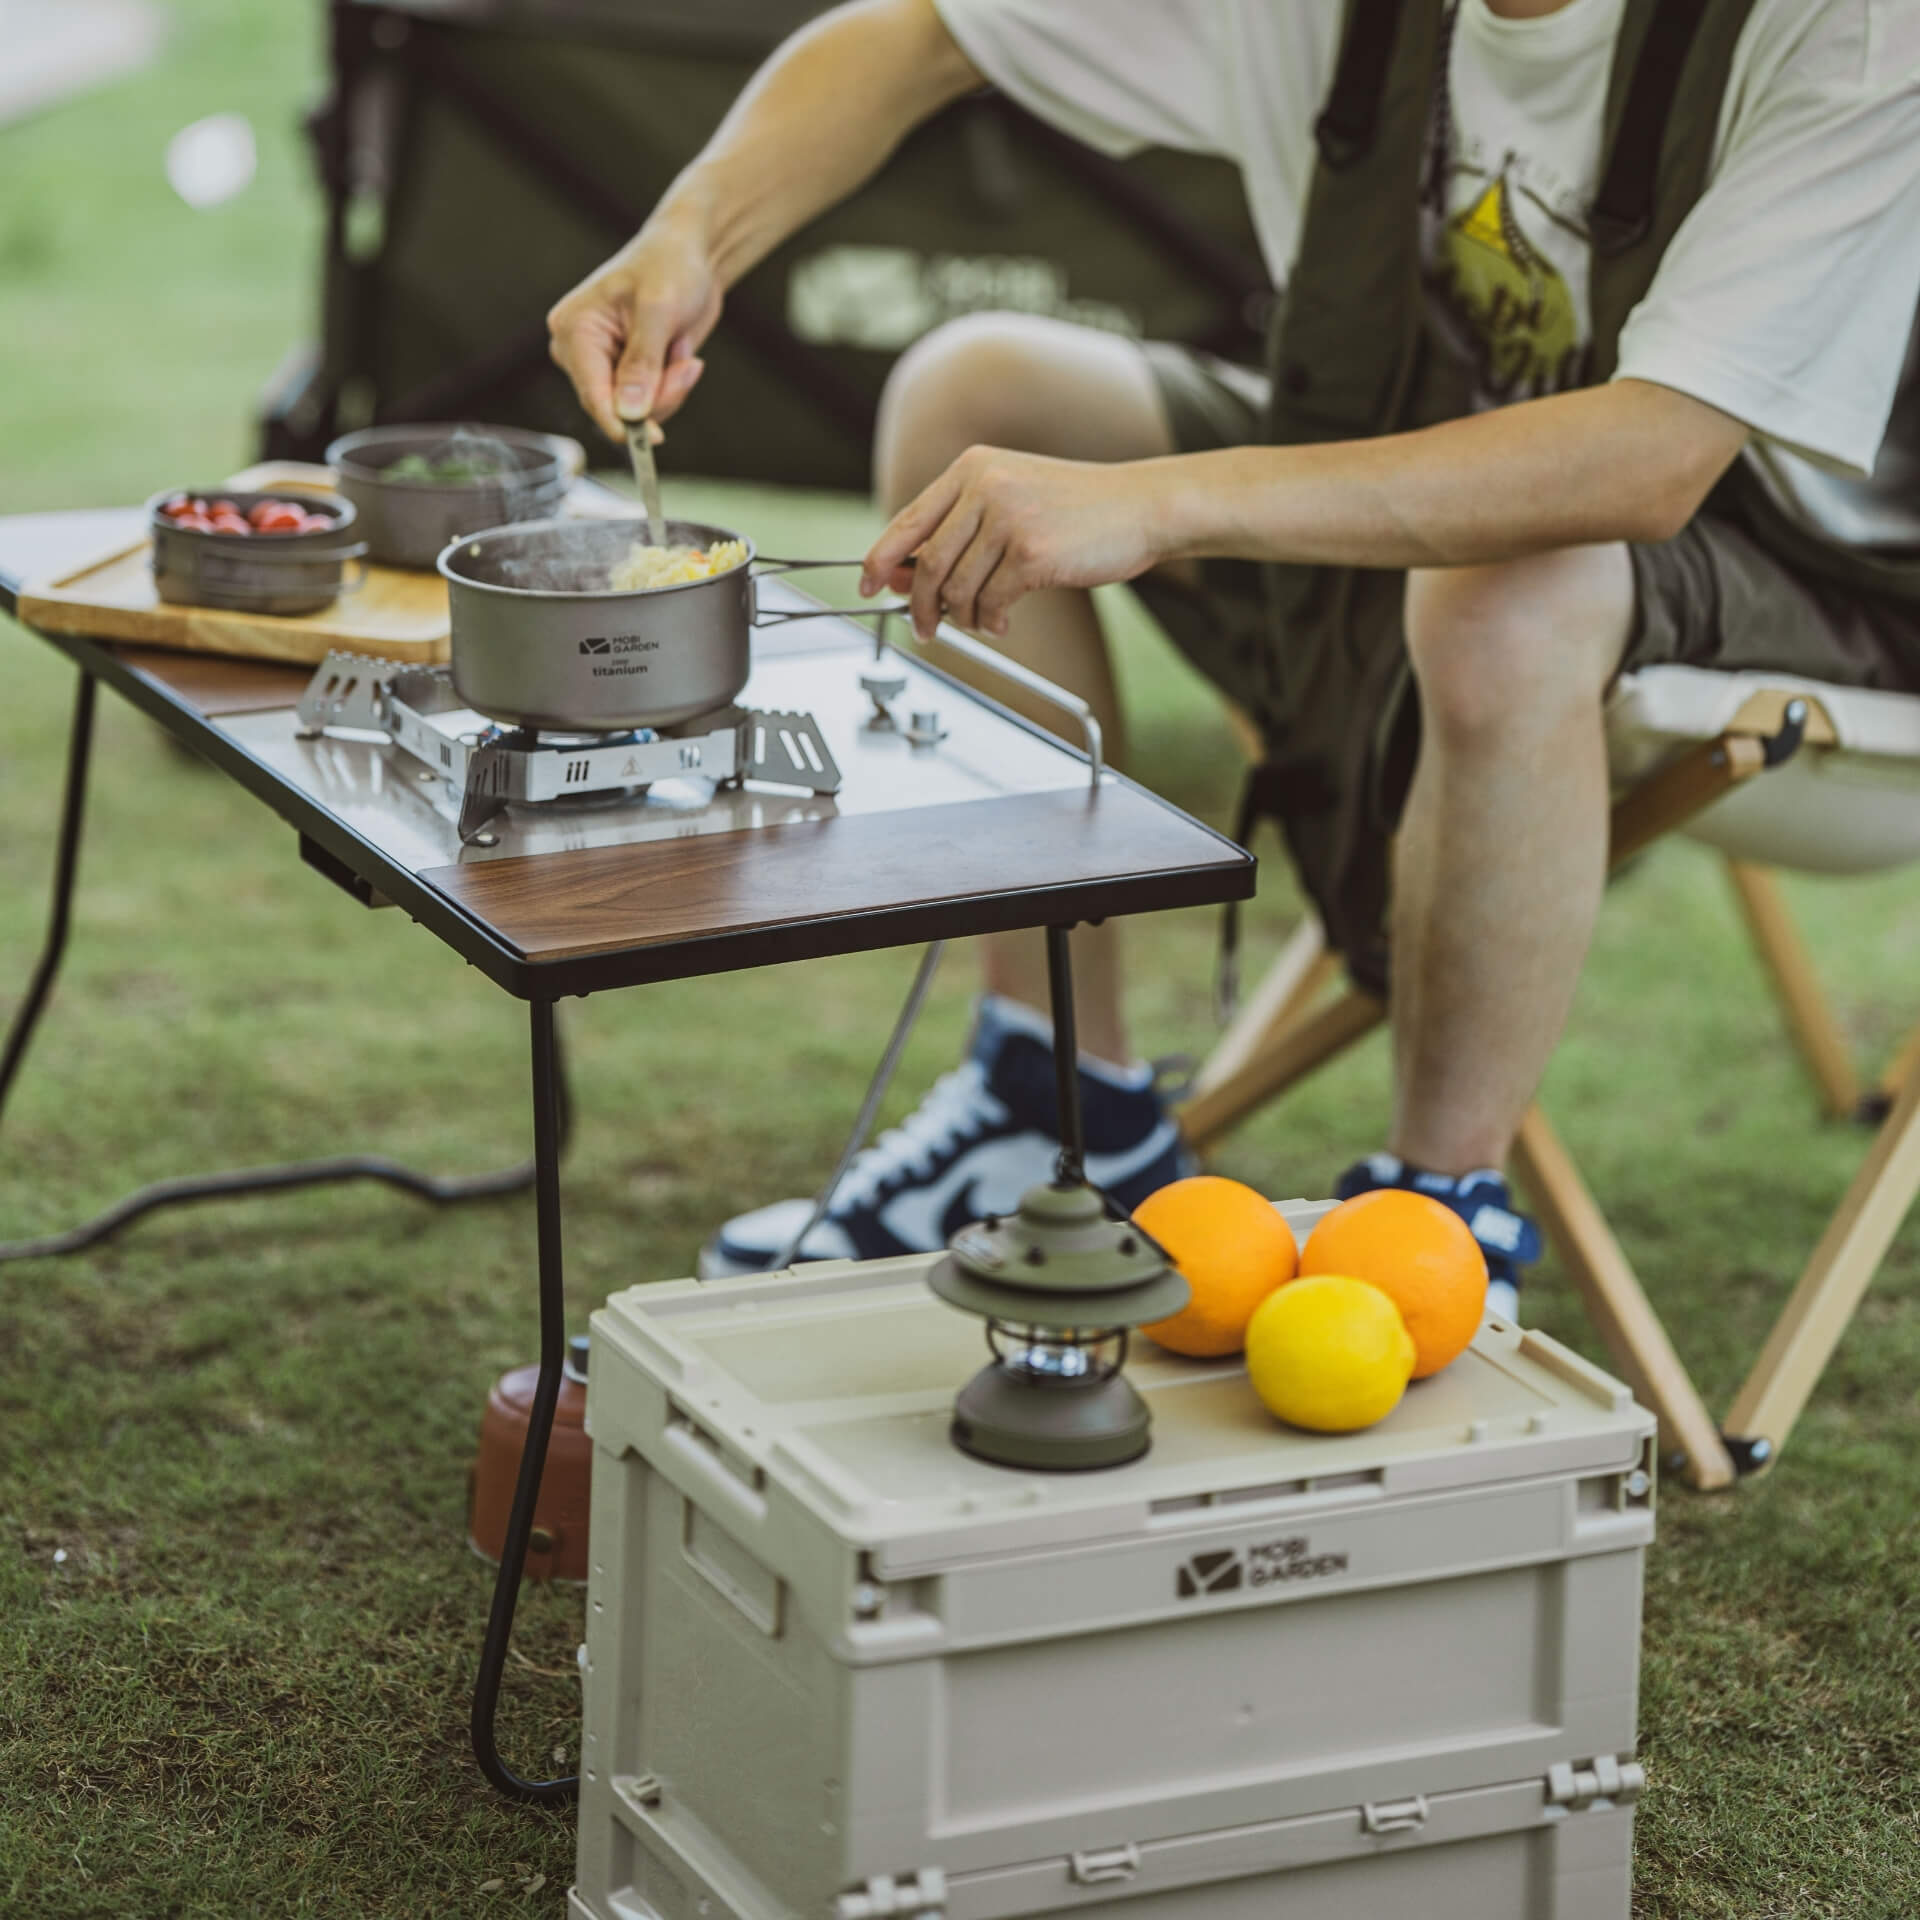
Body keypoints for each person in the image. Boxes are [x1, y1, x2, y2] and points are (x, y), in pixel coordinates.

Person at [548, 0, 1920, 1314]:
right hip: (1421, 503)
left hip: (1825, 595)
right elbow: (923, 36)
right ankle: (1055, 1093)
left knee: (1501, 596)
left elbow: (1648, 462)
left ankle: (1437, 1223)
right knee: (977, 398)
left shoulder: (1847, 23)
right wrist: (692, 235)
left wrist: (1159, 502)